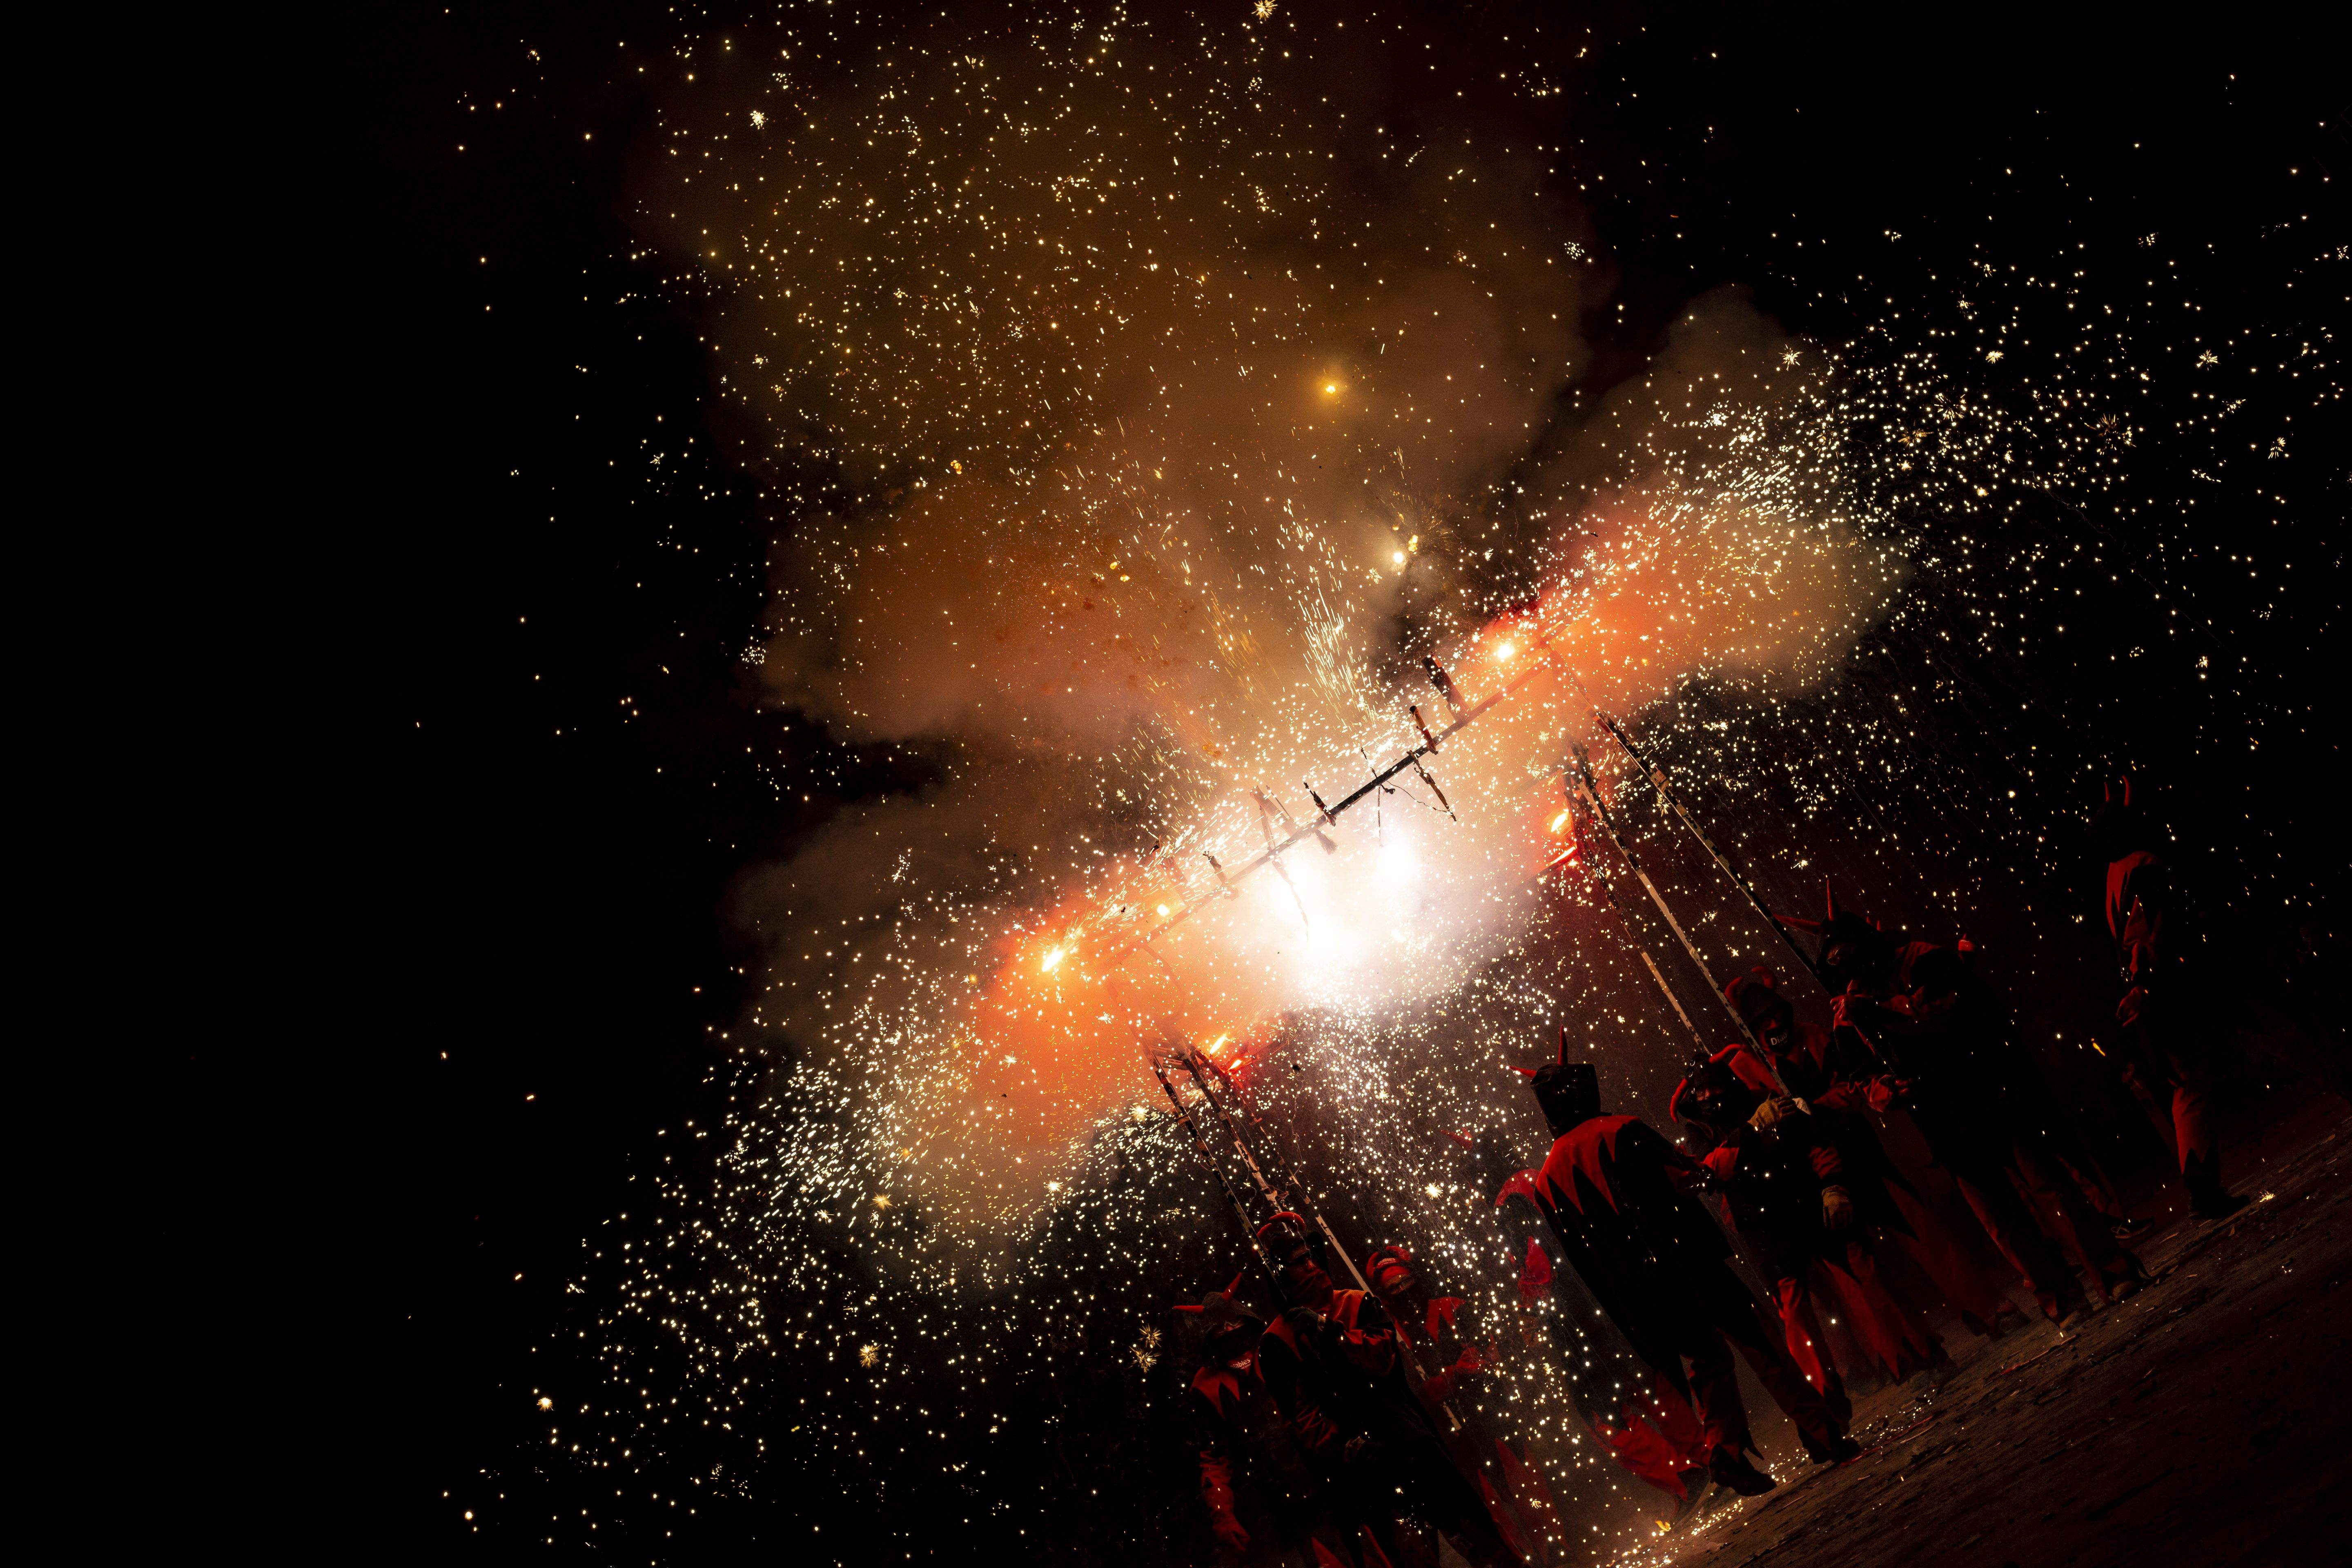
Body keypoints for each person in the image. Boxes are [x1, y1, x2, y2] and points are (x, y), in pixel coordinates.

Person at [1798, 887, 2142, 1324]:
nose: (1845, 963)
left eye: (1847, 951)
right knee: (2002, 1218)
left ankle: (2112, 1271)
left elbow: (1943, 1011)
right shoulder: (1848, 1010)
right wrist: (1888, 1090)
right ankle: (2060, 1298)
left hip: (1989, 1092)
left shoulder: (1920, 958)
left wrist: (1876, 1011)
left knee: (2051, 1190)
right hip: (1944, 1121)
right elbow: (1860, 1075)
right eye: (1834, 960)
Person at [1515, 1058, 1858, 1496]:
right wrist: (1746, 1136)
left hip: (1641, 1292)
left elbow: (1583, 1259)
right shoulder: (1621, 1129)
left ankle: (1727, 1454)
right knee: (1761, 1342)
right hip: (1689, 1260)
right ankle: (1820, 1432)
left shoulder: (1546, 1180)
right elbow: (1689, 1179)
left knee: (1708, 1363)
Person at [1723, 968, 2028, 1339]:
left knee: (1920, 1230)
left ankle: (1988, 1307)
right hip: (1810, 1175)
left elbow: (1850, 1088)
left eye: (1777, 1015)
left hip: (1857, 1150)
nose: (1775, 1025)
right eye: (1764, 1021)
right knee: (1862, 1270)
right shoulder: (1746, 1068)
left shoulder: (1812, 1037)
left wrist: (1814, 1108)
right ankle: (1915, 1350)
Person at [1670, 1050, 1949, 1405]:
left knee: (1865, 1283)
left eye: (1713, 1087)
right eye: (1700, 1091)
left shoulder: (1764, 1100)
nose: (1709, 1096)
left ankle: (1916, 1359)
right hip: (1764, 1229)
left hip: (1808, 1201)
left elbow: (1813, 1140)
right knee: (1798, 1316)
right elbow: (1711, 1171)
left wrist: (1833, 1185)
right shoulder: (1699, 1130)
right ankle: (1823, 1404)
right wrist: (1752, 1129)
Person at [1253, 1215, 1521, 1567]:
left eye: (1310, 1255)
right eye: (1298, 1261)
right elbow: (1299, 1416)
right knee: (1412, 1555)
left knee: (1475, 1531)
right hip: (1363, 1470)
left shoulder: (1356, 1302)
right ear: (1281, 1274)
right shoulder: (1276, 1342)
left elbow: (1382, 1360)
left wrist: (1329, 1333)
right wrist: (1345, 1445)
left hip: (1410, 1439)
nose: (1311, 1264)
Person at [2092, 780, 2247, 1218]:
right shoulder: (2144, 867)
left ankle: (2203, 1187)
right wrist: (2146, 985)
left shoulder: (2115, 874)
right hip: (2164, 988)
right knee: (2190, 1084)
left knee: (2187, 1085)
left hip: (2152, 989)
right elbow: (2154, 932)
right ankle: (2203, 1190)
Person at [1181, 1278, 1353, 1566]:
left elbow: (1322, 1400)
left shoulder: (1275, 1348)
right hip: (1274, 1507)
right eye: (1221, 1329)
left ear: (1246, 1320)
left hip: (1329, 1478)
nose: (1230, 1333)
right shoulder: (1205, 1386)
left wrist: (1342, 1445)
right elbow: (1213, 1457)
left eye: (1235, 1324)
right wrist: (1223, 1514)